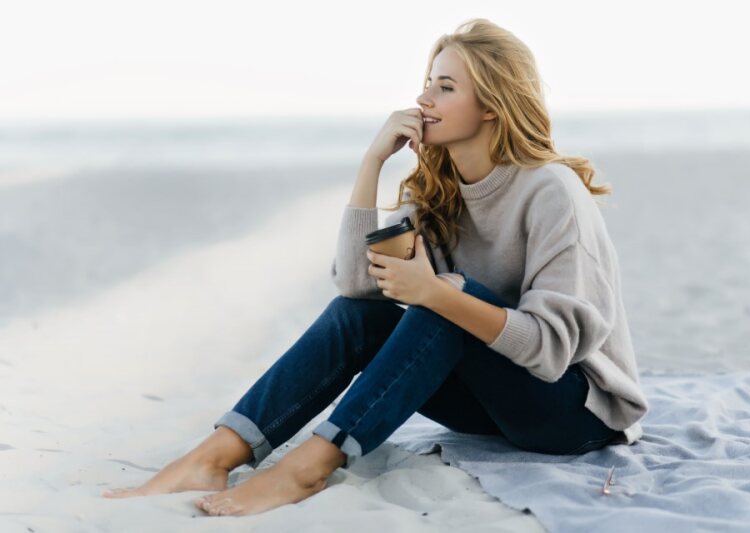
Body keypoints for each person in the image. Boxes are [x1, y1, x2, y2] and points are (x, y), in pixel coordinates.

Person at [102, 18, 649, 517]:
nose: (423, 97)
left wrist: (437, 295)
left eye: (445, 86)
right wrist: (371, 163)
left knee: (442, 307)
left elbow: (552, 350)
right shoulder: (437, 188)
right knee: (361, 315)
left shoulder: (551, 191)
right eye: (429, 81)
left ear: (492, 105)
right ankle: (217, 453)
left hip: (573, 413)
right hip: (494, 404)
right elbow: (360, 290)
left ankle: (309, 467)